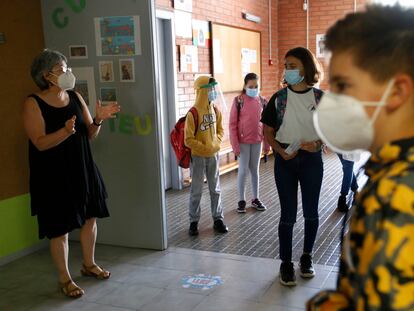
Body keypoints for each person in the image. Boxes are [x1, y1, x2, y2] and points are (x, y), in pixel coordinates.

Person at [308, 4, 414, 310]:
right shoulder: (388, 173)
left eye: (342, 86)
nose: (333, 100)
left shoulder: (398, 194)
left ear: (397, 91)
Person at [23, 49, 120, 298]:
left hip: (83, 168)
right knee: (60, 228)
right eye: (62, 69)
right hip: (54, 175)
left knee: (90, 218)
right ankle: (65, 278)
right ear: (47, 75)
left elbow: (89, 133)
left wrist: (98, 119)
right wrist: (64, 132)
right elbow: (40, 143)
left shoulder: (75, 96)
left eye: (67, 68)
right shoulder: (33, 103)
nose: (68, 73)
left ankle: (89, 264)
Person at [261, 47, 324, 286]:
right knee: (288, 215)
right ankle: (285, 263)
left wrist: (317, 144)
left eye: (292, 66)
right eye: (285, 66)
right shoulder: (279, 99)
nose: (287, 70)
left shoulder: (320, 98)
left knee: (311, 212)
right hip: (285, 160)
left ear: (306, 68)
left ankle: (306, 258)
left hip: (311, 160)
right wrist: (279, 151)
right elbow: (267, 131)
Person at [184, 76, 228, 236]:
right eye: (210, 89)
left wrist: (215, 143)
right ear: (202, 91)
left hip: (213, 156)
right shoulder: (193, 113)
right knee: (196, 190)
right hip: (198, 158)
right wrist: (203, 147)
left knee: (215, 189)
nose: (213, 92)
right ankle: (193, 221)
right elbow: (188, 139)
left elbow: (221, 130)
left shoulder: (215, 110)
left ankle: (218, 219)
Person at [229, 72, 268, 213]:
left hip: (257, 141)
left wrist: (267, 145)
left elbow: (266, 125)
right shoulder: (239, 100)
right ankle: (241, 200)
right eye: (251, 86)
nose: (254, 88)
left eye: (256, 86)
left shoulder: (262, 101)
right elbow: (232, 125)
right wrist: (235, 145)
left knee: (255, 170)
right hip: (243, 142)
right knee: (243, 171)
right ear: (245, 86)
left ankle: (255, 198)